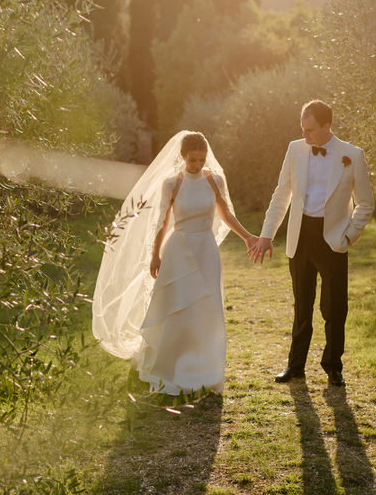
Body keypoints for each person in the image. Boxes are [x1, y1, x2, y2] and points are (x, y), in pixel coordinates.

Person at [93, 131, 256, 395]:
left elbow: (225, 213)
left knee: (206, 309)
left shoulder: (213, 180)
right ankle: (172, 369)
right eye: (193, 160)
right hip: (178, 250)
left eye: (202, 159)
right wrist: (155, 254)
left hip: (206, 250)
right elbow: (161, 222)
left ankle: (205, 372)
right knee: (177, 310)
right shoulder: (172, 183)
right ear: (182, 157)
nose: (198, 164)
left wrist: (248, 237)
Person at [249, 100, 374, 387]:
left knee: (335, 307)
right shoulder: (295, 149)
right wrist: (267, 234)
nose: (305, 136)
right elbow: (281, 195)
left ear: (327, 126)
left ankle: (333, 366)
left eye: (311, 130)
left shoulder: (352, 155)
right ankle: (295, 366)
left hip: (333, 239)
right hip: (300, 235)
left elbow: (366, 204)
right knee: (301, 304)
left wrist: (348, 236)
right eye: (302, 129)